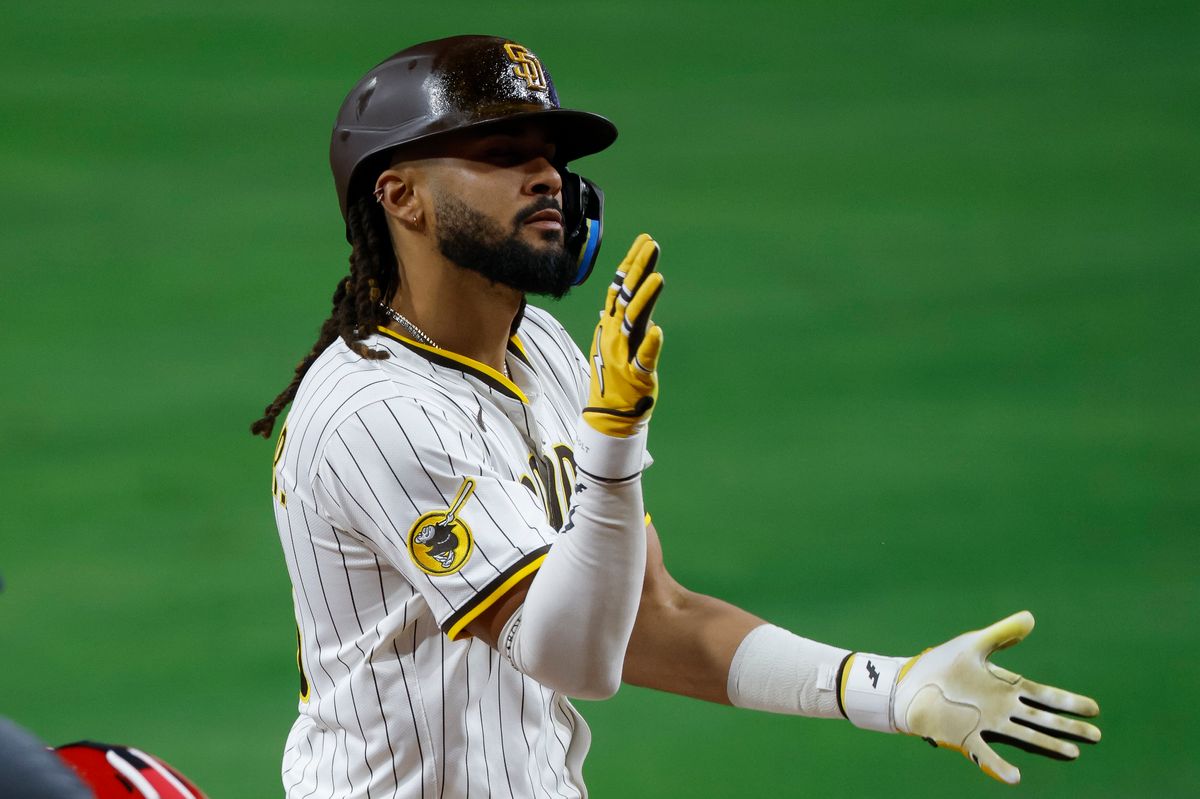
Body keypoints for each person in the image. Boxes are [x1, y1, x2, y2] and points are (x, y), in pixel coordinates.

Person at [252, 35, 1100, 798]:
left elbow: (649, 615)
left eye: (550, 157)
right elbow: (575, 656)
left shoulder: (539, 348)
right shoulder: (373, 409)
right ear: (402, 197)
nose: (547, 176)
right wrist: (613, 445)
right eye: (503, 154)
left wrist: (890, 686)